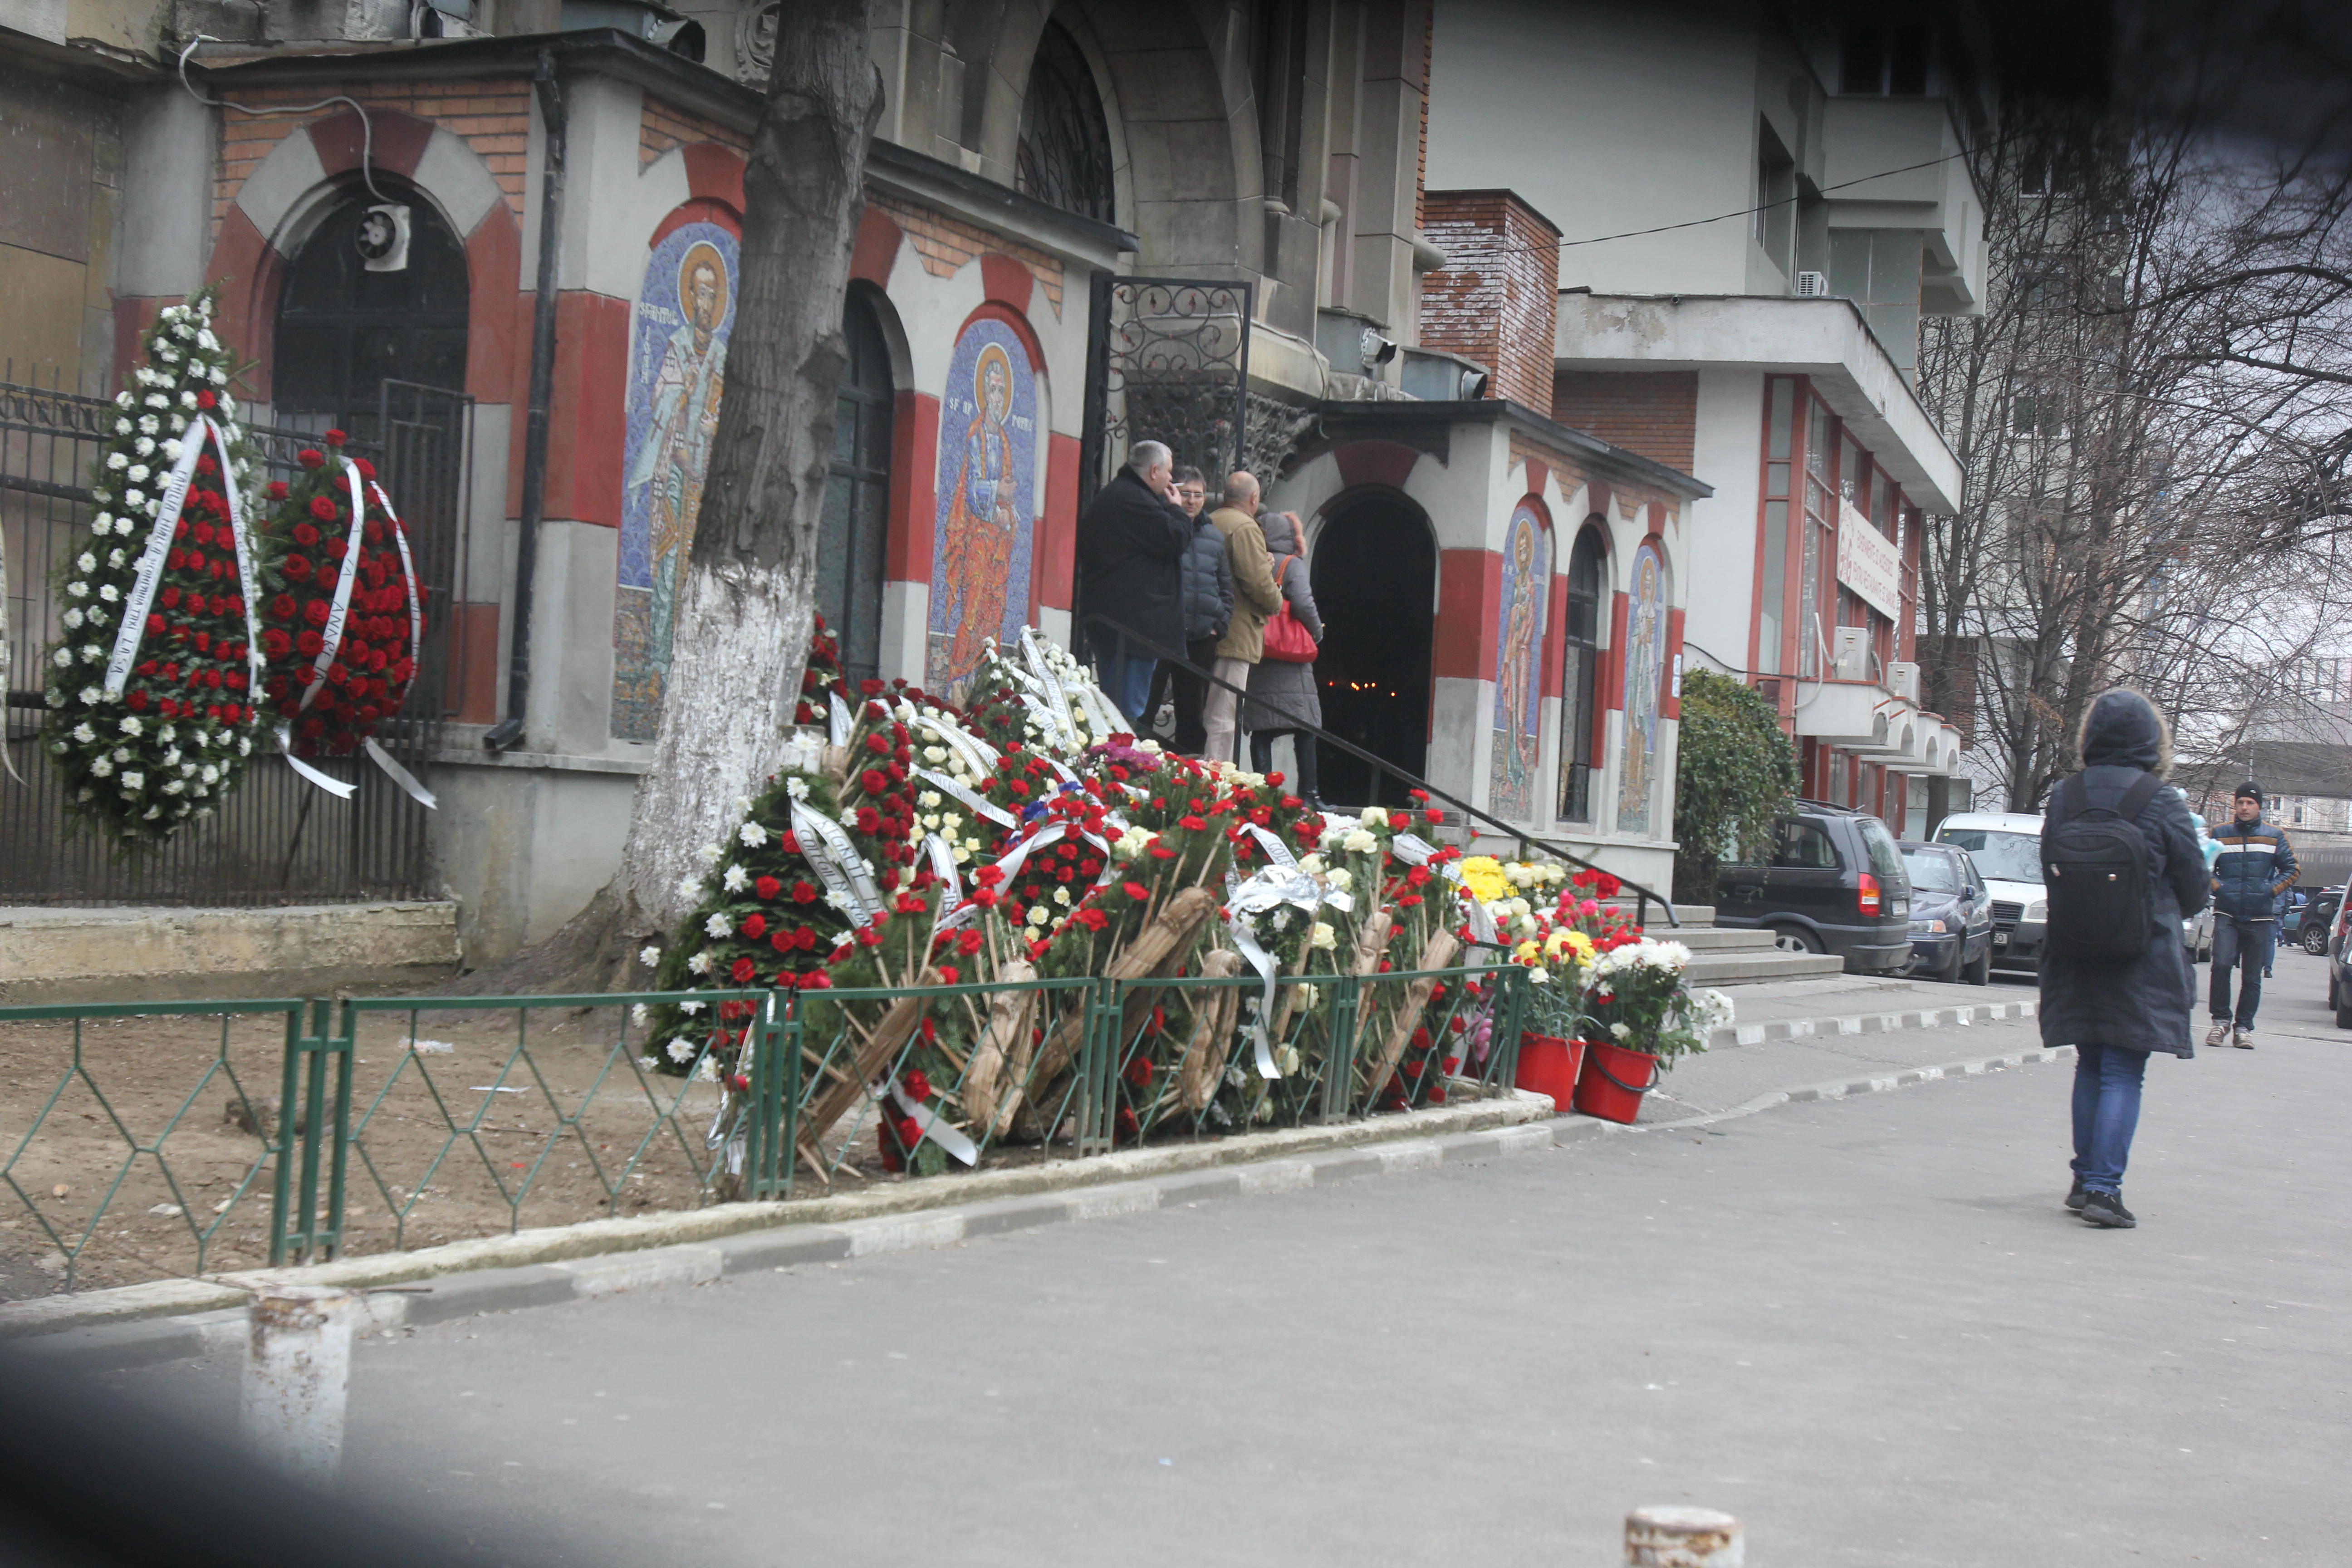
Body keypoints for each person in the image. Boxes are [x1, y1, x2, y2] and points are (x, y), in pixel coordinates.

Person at [2039, 689, 2208, 1230]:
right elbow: (2194, 888)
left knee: (2091, 1062)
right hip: (2140, 956)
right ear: (2150, 741)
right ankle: (2103, 1190)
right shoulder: (2160, 799)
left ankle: (2084, 1175)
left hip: (2075, 952)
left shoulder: (2065, 796)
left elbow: (2049, 866)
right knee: (2122, 1070)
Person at [1074, 440, 1192, 725]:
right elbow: (1175, 538)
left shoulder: (1122, 495)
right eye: (1169, 473)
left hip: (1124, 624)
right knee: (1126, 713)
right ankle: (1121, 762)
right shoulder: (1133, 500)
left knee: (1122, 707)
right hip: (1131, 627)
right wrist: (1178, 510)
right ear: (1154, 471)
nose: (1171, 481)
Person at [2206, 782, 2297, 1049]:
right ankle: (2220, 1022)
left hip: (2260, 916)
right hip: (2227, 912)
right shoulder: (2220, 834)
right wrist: (2219, 887)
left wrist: (2269, 890)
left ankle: (2243, 1028)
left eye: (2250, 803)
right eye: (2240, 803)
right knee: (2221, 966)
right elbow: (2204, 866)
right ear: (2235, 805)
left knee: (2252, 976)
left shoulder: (2274, 836)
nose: (2244, 808)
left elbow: (2292, 870)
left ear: (2260, 806)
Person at [1242, 509, 1325, 801]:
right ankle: (1310, 795)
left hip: (1260, 653)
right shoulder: (1292, 564)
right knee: (1306, 729)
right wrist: (1317, 633)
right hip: (1292, 660)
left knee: (1263, 730)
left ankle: (1266, 797)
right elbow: (1303, 603)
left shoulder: (1254, 560)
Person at [1202, 470, 1284, 765]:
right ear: (1254, 498)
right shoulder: (1246, 528)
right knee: (1224, 716)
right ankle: (1217, 782)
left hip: (1209, 630)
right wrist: (1277, 596)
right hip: (1237, 632)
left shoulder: (1211, 520)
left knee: (1210, 710)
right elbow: (1257, 583)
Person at [1146, 466, 1229, 751]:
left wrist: (1220, 625)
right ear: (1173, 494)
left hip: (1201, 637)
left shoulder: (1215, 538)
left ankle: (1189, 775)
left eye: (1198, 495)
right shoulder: (1160, 526)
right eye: (1185, 494)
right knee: (1146, 706)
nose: (1192, 501)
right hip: (1161, 632)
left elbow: (1225, 586)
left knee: (1193, 717)